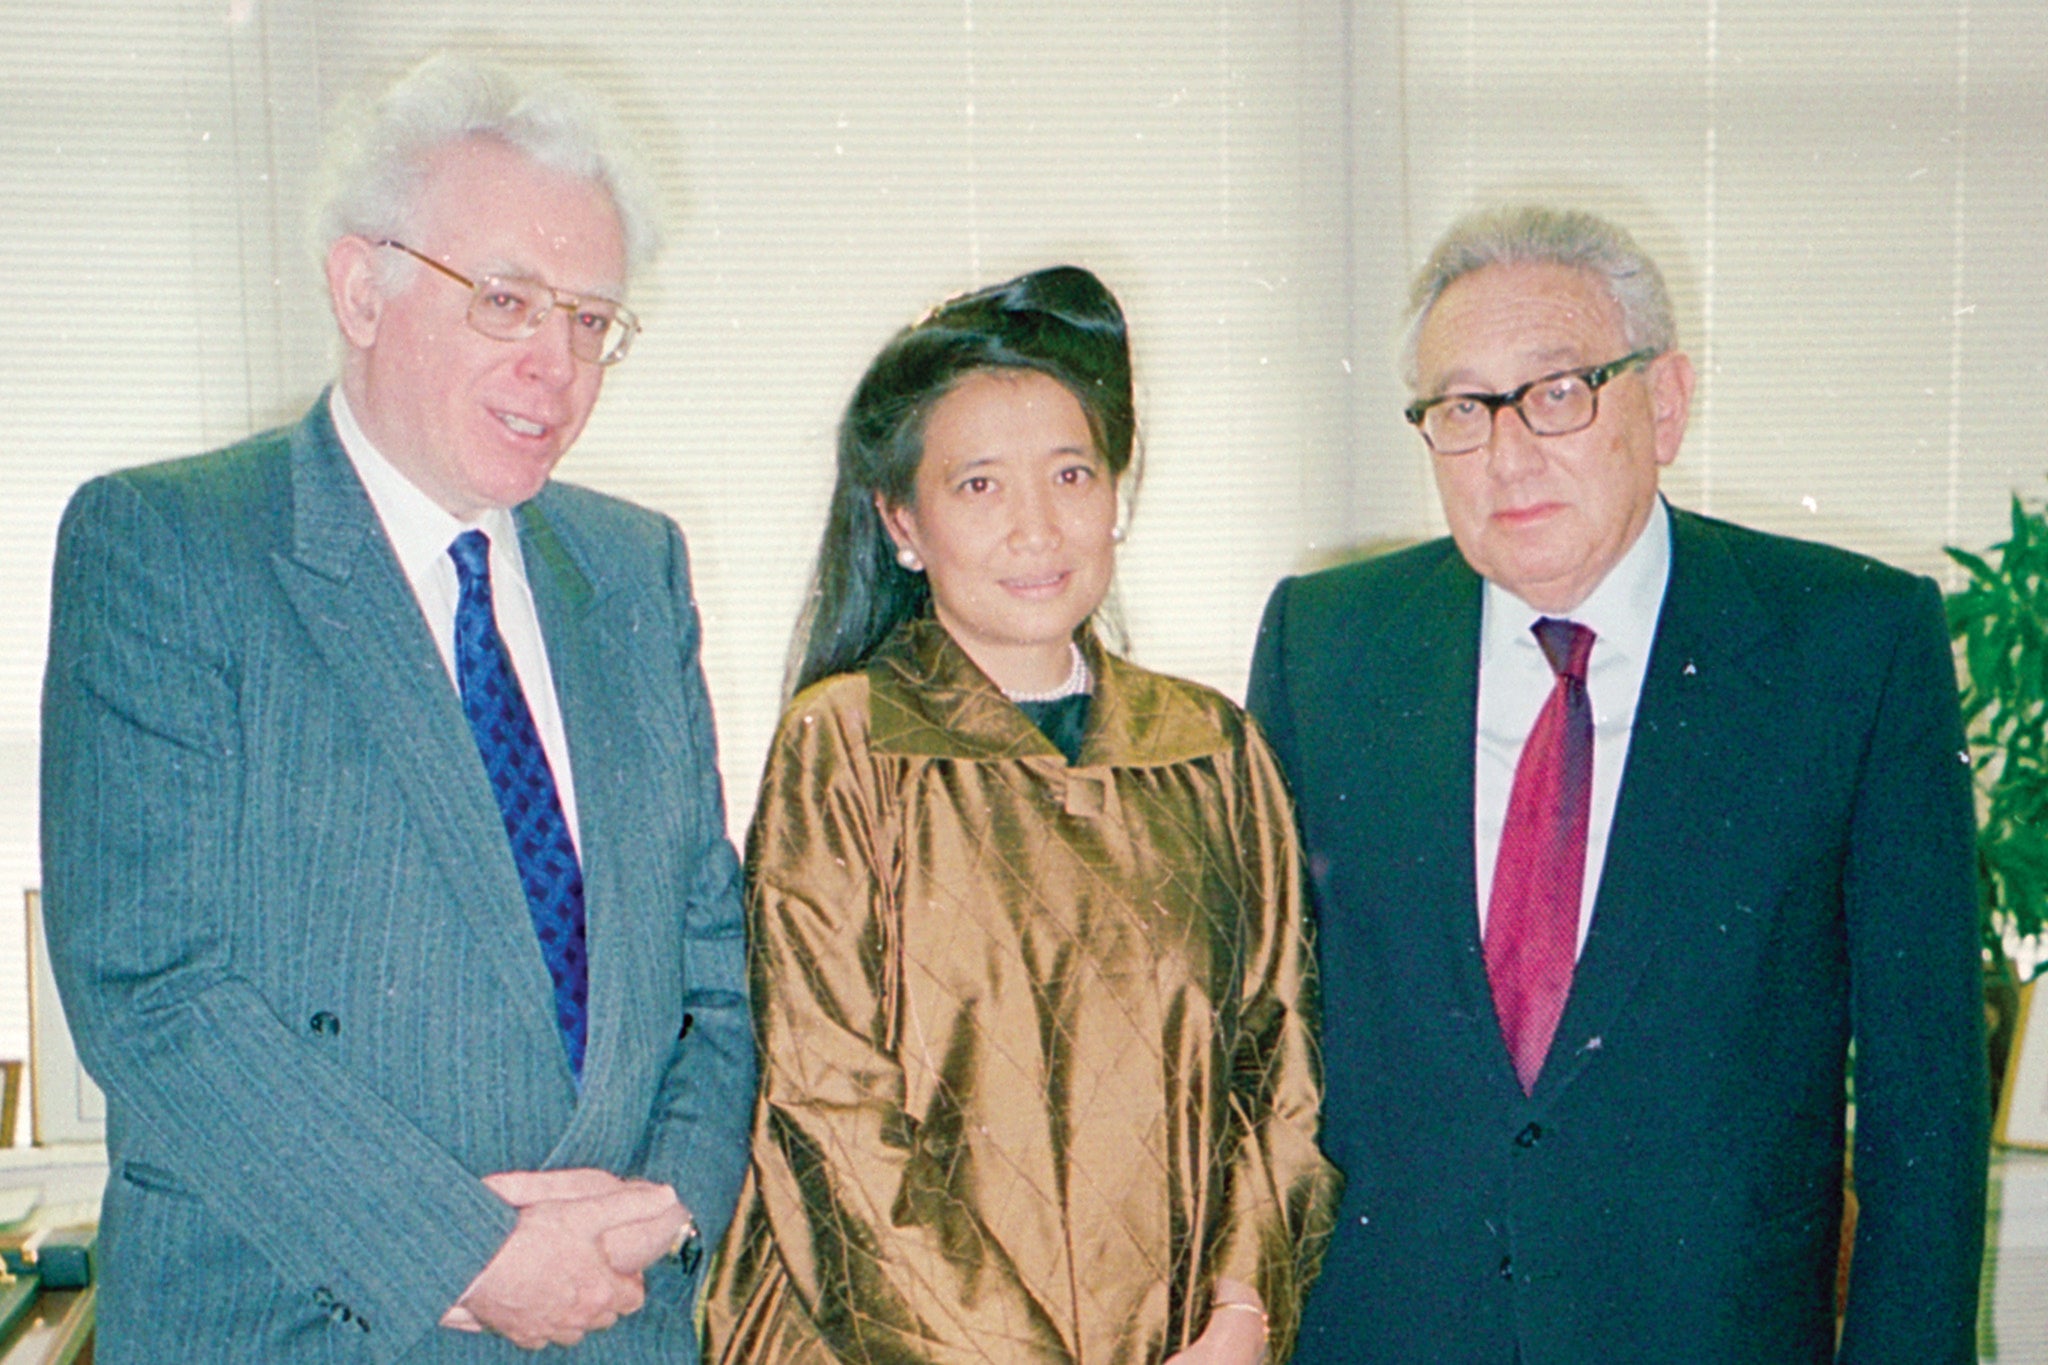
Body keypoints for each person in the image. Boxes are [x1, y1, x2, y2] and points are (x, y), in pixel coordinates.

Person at [40, 54, 753, 1361]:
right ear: (360, 288)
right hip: (309, 1326)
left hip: (616, 1324)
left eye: (592, 320)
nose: (558, 366)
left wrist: (671, 1208)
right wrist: (467, 1255)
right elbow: (151, 992)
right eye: (505, 301)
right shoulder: (170, 546)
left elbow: (712, 967)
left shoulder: (636, 569)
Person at [1248, 204, 1989, 1363]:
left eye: (1555, 393)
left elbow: (1924, 1109)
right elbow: (1252, 1049)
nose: (1504, 452)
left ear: (1666, 402)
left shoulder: (1848, 646)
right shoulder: (1327, 646)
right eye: (1458, 408)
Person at [701, 266, 1338, 1365]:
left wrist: (1240, 1311)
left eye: (1071, 474)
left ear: (1114, 497)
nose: (1037, 528)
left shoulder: (1210, 751)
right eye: (979, 487)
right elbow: (826, 1110)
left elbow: (1277, 1066)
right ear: (901, 522)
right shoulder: (848, 744)